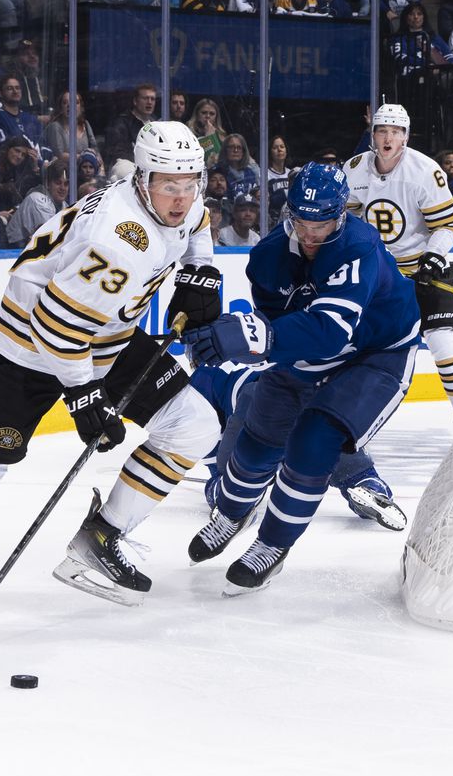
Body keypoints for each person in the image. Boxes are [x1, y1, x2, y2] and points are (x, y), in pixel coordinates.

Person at [0, 121, 224, 608]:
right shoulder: (120, 241)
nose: (181, 199)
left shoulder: (176, 197)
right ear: (142, 180)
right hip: (30, 347)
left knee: (194, 426)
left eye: (190, 185)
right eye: (169, 187)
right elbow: (56, 327)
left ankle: (100, 538)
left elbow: (197, 222)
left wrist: (201, 271)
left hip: (105, 337)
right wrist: (83, 397)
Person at [180, 162, 421, 594]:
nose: (311, 234)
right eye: (302, 222)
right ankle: (231, 512)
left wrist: (255, 334)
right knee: (258, 434)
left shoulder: (358, 246)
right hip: (317, 351)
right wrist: (248, 335)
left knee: (315, 439)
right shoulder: (267, 259)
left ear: (341, 216)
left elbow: (329, 332)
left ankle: (272, 546)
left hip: (377, 352)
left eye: (322, 222)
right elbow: (282, 332)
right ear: (289, 214)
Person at [344, 104, 453, 431]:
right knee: (357, 344)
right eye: (382, 130)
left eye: (396, 132)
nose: (388, 138)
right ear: (372, 135)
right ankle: (348, 420)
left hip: (425, 266)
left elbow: (449, 225)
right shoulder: (354, 169)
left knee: (443, 340)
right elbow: (344, 220)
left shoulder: (425, 172)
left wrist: (432, 257)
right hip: (380, 273)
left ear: (406, 137)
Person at [189, 362, 406, 531]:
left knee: (228, 477)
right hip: (300, 392)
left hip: (253, 404)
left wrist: (220, 475)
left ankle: (231, 496)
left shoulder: (201, 381)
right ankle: (368, 482)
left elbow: (208, 439)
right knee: (329, 443)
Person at [6, 159, 69, 244]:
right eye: (58, 183)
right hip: (12, 250)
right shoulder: (38, 199)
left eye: (66, 184)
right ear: (47, 184)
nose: (62, 188)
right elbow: (51, 236)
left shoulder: (64, 205)